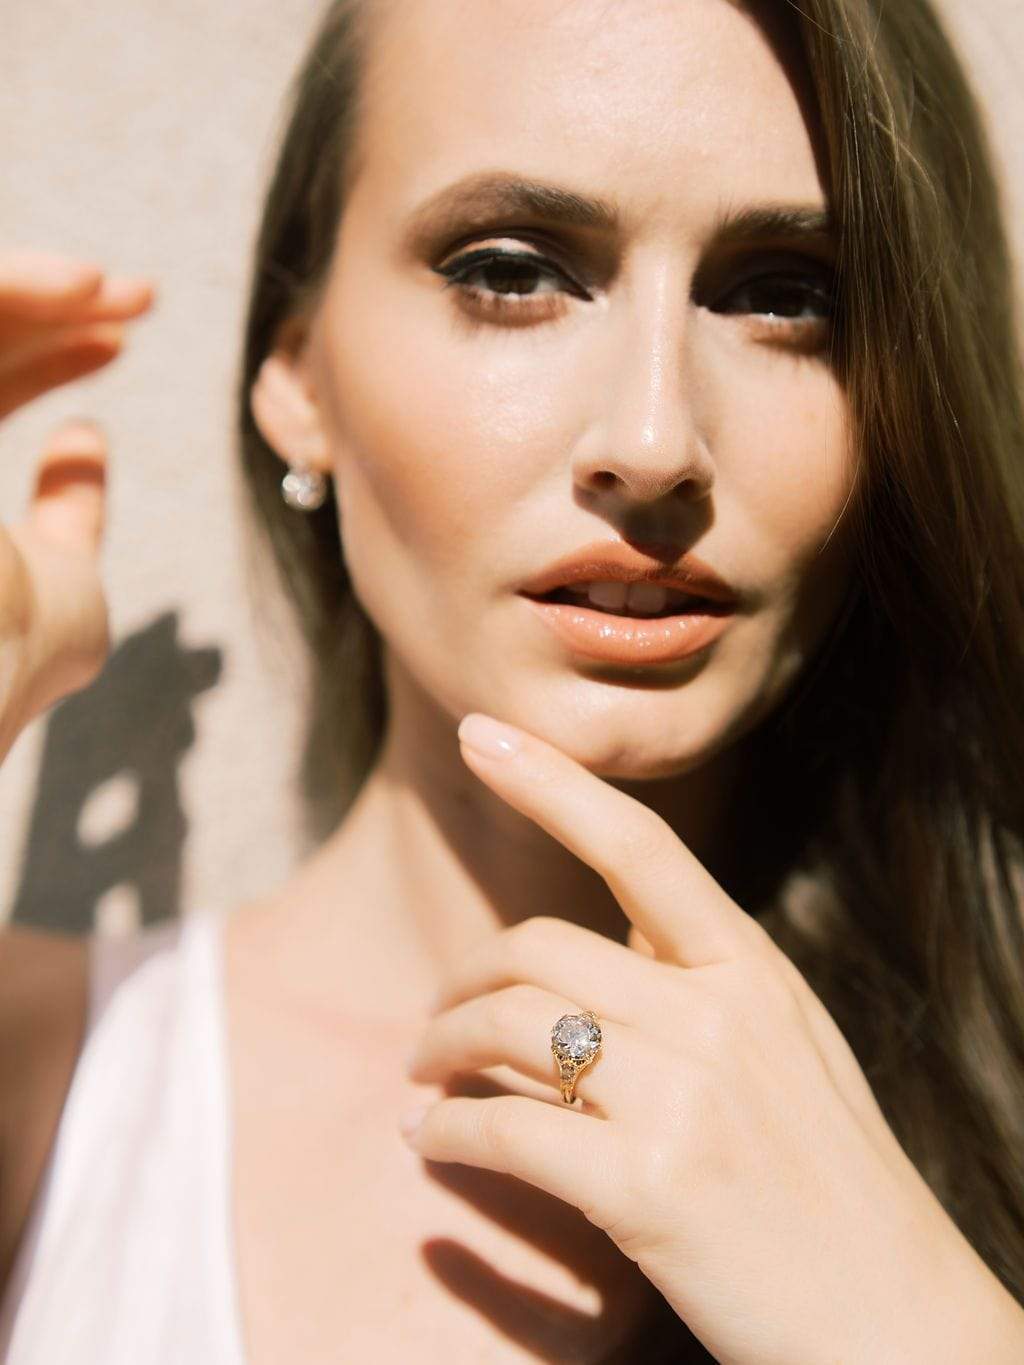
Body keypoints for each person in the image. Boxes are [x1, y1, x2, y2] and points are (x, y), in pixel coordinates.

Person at [1, 0, 1024, 1360]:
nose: (653, 442)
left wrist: (911, 1318)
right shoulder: (52, 1073)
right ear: (298, 375)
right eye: (511, 270)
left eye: (786, 293)